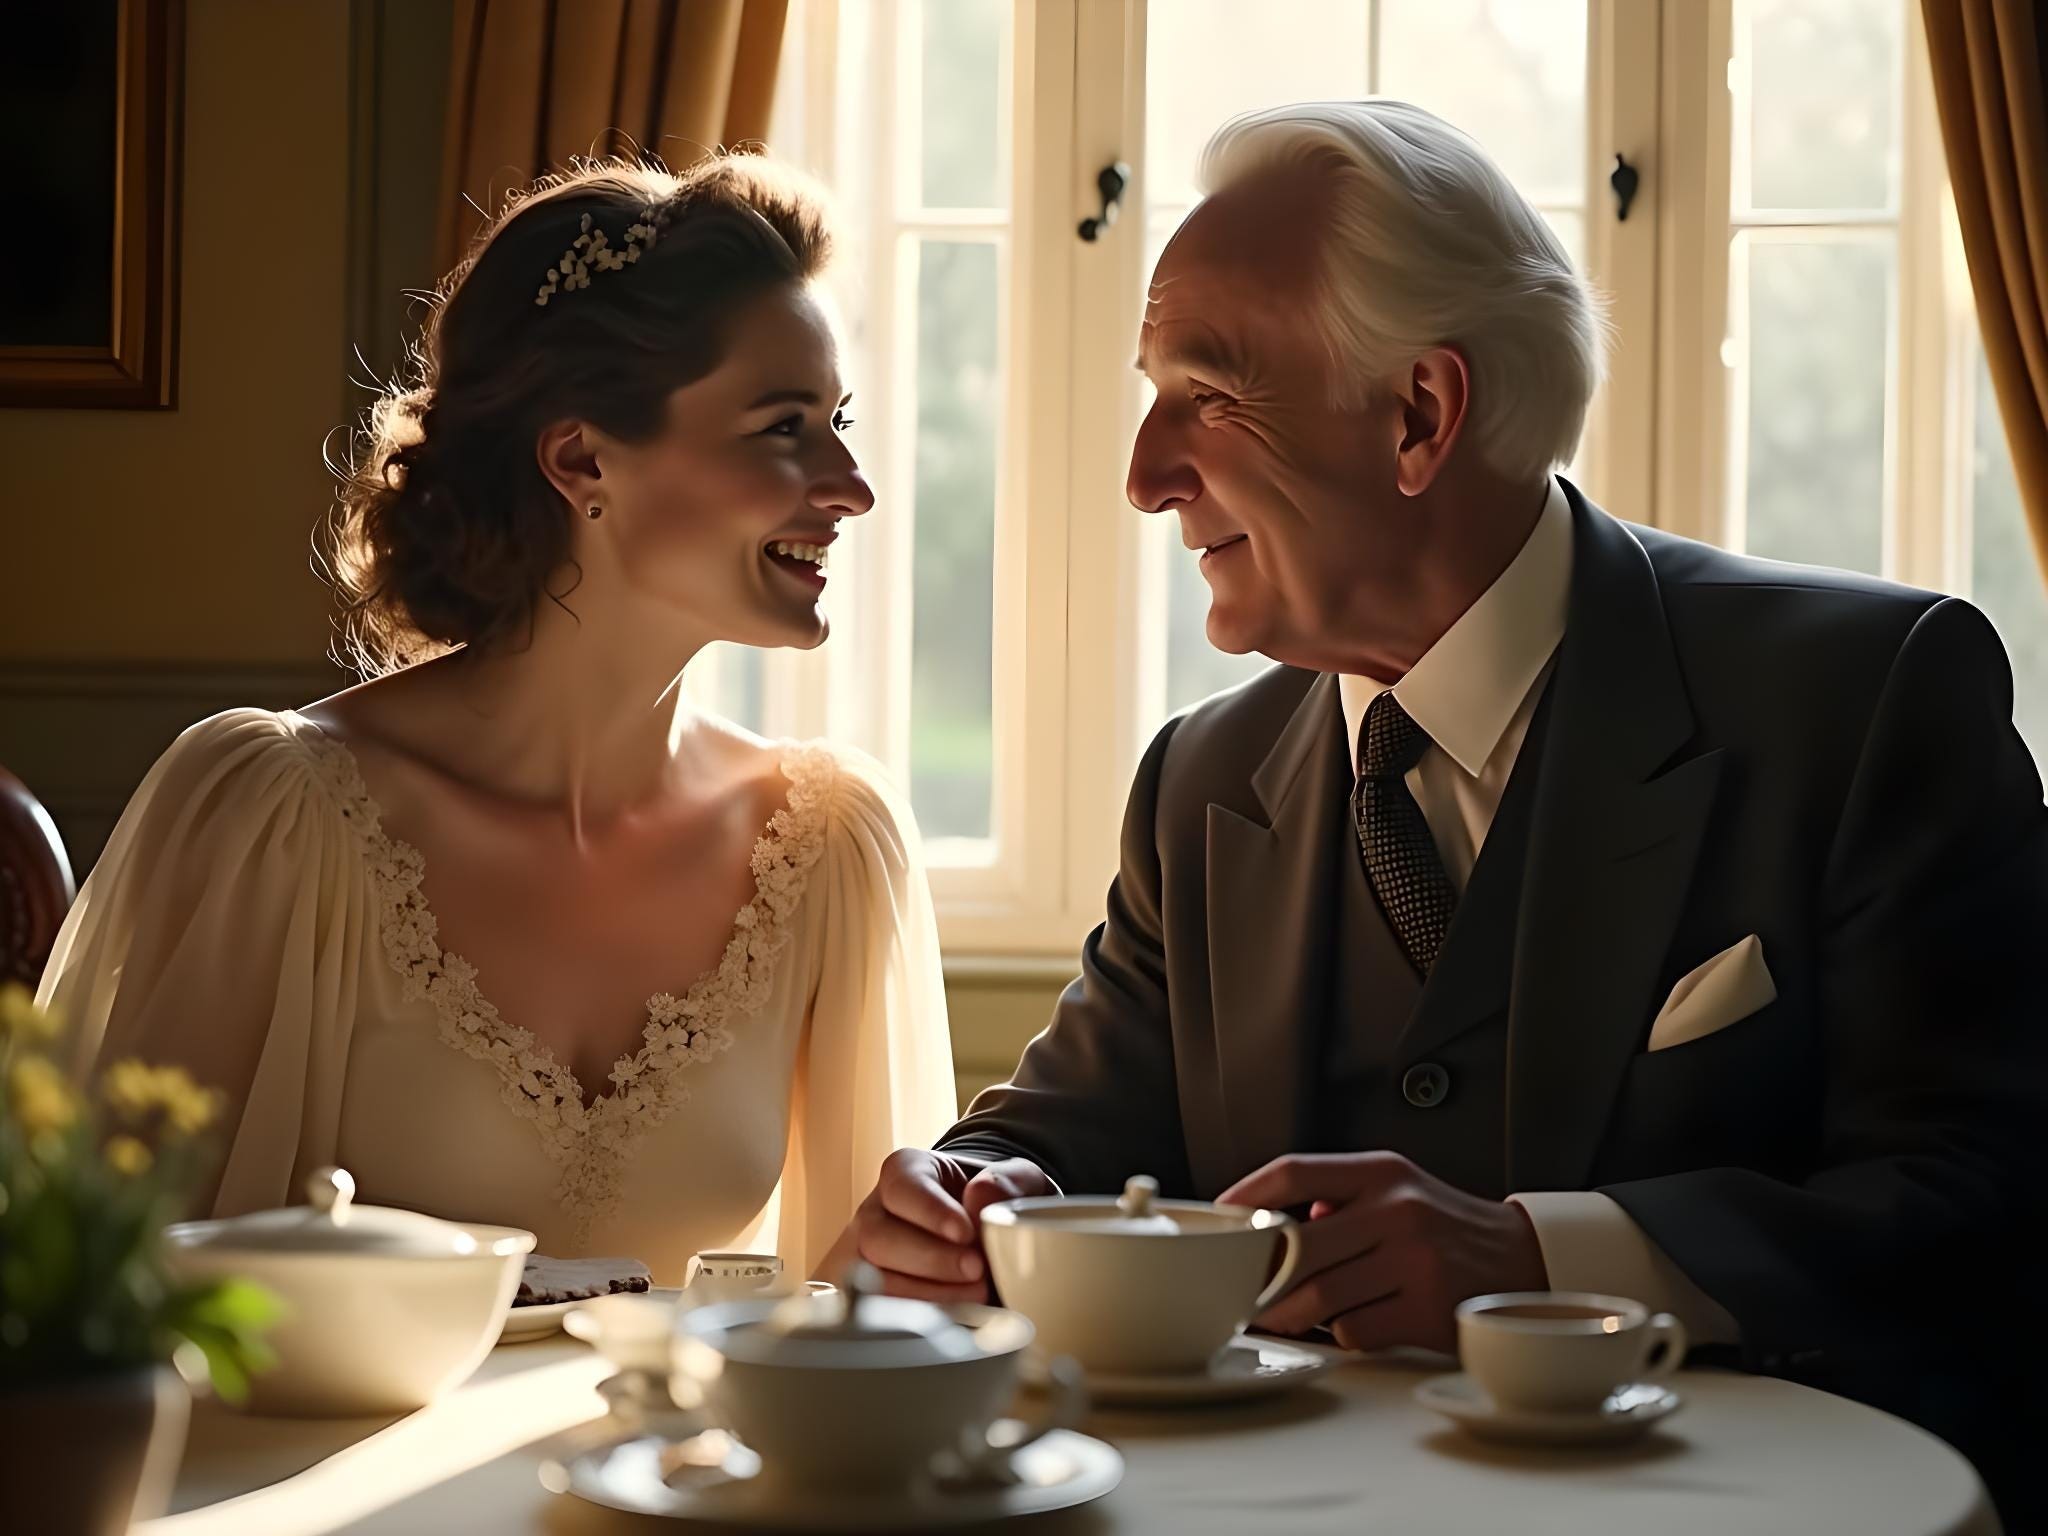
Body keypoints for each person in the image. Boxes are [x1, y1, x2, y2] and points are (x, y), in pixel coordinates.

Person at [831, 101, 2047, 1512]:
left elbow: (1994, 1194)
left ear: (1419, 415)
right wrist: (973, 1195)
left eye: (1206, 395)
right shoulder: (1201, 785)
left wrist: (1542, 1261)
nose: (1145, 473)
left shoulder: (1866, 695)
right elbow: (1064, 1131)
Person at [39, 155, 958, 1281]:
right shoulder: (276, 823)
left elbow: (860, 1327)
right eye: (782, 428)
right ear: (582, 460)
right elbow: (104, 1309)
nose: (850, 484)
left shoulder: (827, 848)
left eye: (839, 422)